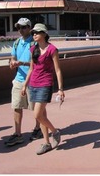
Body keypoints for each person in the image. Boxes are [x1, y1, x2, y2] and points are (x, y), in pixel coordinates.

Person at [21, 23, 65, 155]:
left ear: (44, 34)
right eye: (33, 32)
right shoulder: (33, 49)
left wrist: (61, 89)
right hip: (33, 84)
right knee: (42, 116)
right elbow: (31, 69)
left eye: (37, 32)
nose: (34, 34)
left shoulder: (52, 49)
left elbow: (57, 70)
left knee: (37, 115)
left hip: (45, 85)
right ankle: (46, 143)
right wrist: (25, 84)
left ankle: (55, 132)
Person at [5, 18, 42, 146]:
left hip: (33, 80)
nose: (21, 30)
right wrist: (12, 63)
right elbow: (13, 57)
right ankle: (18, 134)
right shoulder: (16, 43)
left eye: (24, 27)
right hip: (19, 79)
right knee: (16, 106)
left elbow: (36, 63)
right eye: (19, 27)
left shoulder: (35, 43)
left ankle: (38, 128)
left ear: (29, 28)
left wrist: (22, 63)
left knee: (36, 107)